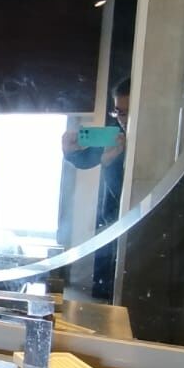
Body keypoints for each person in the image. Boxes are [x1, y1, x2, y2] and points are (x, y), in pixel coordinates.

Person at [61, 78, 130, 300]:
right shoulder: (116, 136)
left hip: (132, 229)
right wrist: (70, 153)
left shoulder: (146, 142)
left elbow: (127, 195)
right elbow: (86, 160)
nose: (122, 119)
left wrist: (110, 163)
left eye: (128, 113)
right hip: (111, 223)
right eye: (118, 112)